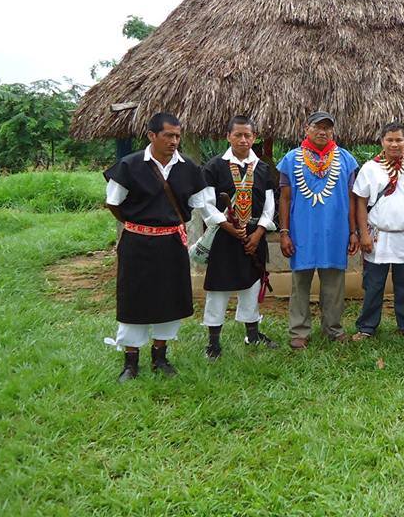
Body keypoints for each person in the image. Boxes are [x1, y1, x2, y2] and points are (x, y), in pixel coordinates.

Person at [103, 112, 216, 381]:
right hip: (136, 244)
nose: (174, 141)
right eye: (168, 135)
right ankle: (130, 362)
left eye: (178, 136)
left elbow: (203, 204)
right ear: (152, 135)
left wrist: (221, 224)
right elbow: (114, 203)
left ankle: (160, 358)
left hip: (171, 245)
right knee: (133, 299)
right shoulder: (129, 166)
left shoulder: (188, 168)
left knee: (169, 298)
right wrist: (139, 225)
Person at [276, 111, 359, 349]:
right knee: (300, 282)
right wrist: (284, 232)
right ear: (306, 128)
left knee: (334, 283)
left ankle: (333, 328)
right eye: (317, 127)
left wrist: (353, 231)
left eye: (327, 128)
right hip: (301, 231)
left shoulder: (345, 159)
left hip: (336, 231)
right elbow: (285, 198)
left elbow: (352, 199)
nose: (323, 132)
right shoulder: (291, 159)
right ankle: (299, 330)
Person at [200, 116, 277, 359]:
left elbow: (270, 205)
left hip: (254, 236)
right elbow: (206, 204)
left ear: (254, 138)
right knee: (218, 287)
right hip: (224, 236)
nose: (243, 140)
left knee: (252, 284)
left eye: (248, 135)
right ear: (228, 136)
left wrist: (259, 232)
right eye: (238, 135)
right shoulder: (214, 167)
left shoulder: (262, 168)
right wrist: (227, 226)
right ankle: (213, 342)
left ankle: (252, 334)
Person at [353, 122, 404, 341]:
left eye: (399, 140)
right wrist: (364, 234)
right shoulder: (370, 168)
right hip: (377, 235)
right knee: (373, 284)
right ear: (382, 141)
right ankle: (366, 326)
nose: (394, 144)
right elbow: (360, 202)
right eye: (390, 139)